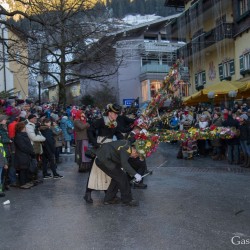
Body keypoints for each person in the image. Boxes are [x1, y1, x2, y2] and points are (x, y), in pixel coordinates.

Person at [84, 103, 124, 203]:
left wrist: (125, 143)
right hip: (101, 147)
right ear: (109, 113)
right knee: (95, 171)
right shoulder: (101, 120)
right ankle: (87, 194)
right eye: (114, 114)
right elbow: (90, 130)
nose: (116, 116)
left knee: (109, 171)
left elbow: (118, 134)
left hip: (110, 147)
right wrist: (95, 143)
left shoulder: (115, 123)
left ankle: (108, 194)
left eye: (117, 114)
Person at [95, 140, 142, 206]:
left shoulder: (127, 145)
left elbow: (119, 157)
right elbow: (125, 163)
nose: (135, 157)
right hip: (104, 160)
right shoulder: (127, 148)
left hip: (104, 159)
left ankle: (109, 199)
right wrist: (135, 174)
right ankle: (127, 200)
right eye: (136, 155)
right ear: (134, 150)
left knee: (117, 178)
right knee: (122, 177)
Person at [14, 122, 36, 189]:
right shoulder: (18, 136)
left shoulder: (24, 135)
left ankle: (26, 182)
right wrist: (30, 151)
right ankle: (22, 183)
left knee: (26, 169)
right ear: (22, 128)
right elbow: (22, 147)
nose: (25, 128)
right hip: (22, 155)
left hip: (26, 155)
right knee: (23, 170)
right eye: (24, 127)